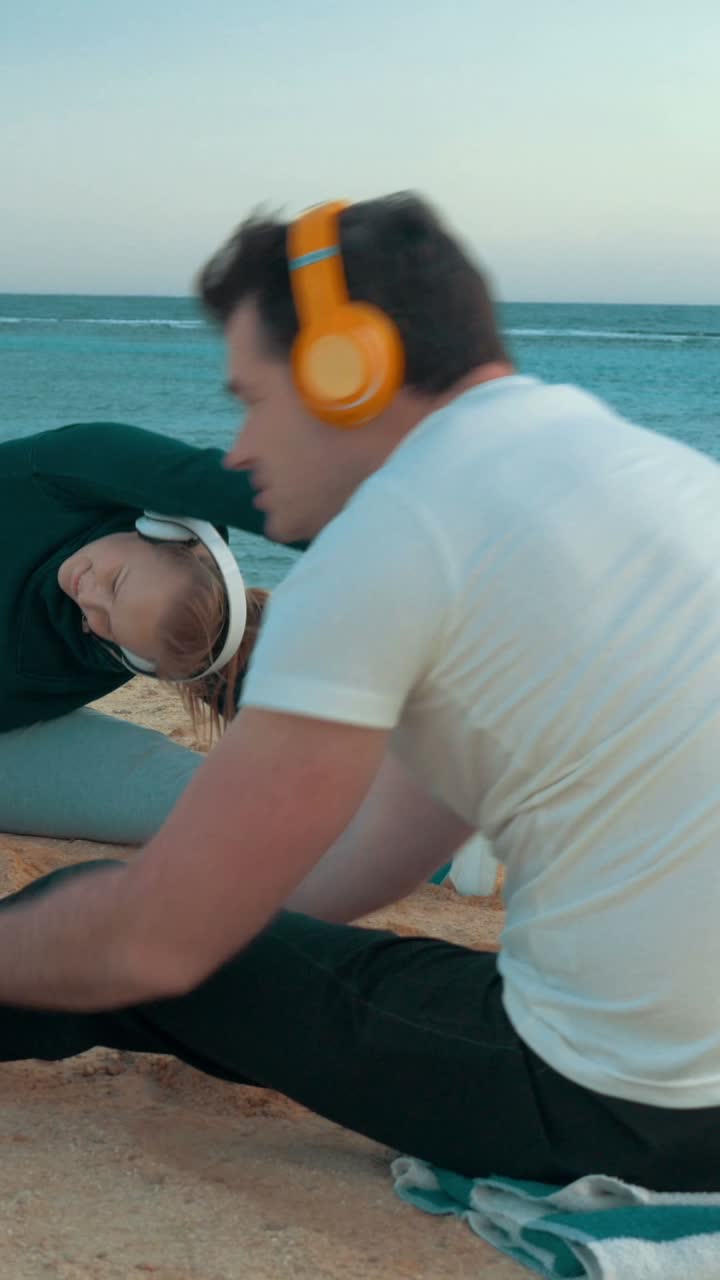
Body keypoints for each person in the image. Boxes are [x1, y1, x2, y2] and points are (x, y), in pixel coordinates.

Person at [1, 192, 720, 1193]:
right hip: (680, 1074)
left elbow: (163, 936)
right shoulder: (655, 478)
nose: (239, 451)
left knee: (89, 910)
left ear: (350, 375)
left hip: (628, 1108)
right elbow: (344, 875)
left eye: (252, 399)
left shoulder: (398, 538)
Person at [0, 421, 274, 841]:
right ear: (163, 532)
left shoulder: (120, 645)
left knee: (221, 807)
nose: (88, 598)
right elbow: (209, 481)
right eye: (116, 581)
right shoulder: (58, 481)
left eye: (105, 624)